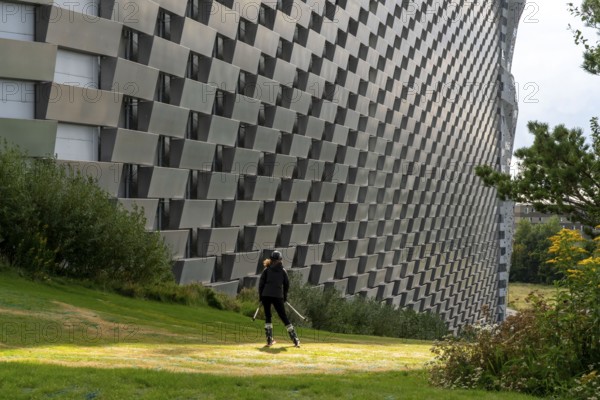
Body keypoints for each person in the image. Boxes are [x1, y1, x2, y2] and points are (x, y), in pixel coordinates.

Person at [258, 250, 300, 347]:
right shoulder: (283, 271)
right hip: (277, 296)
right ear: (280, 260)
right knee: (283, 317)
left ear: (271, 260)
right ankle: (295, 339)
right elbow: (286, 285)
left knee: (268, 316)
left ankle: (269, 340)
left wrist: (261, 298)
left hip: (266, 295)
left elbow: (261, 285)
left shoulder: (266, 270)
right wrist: (284, 297)